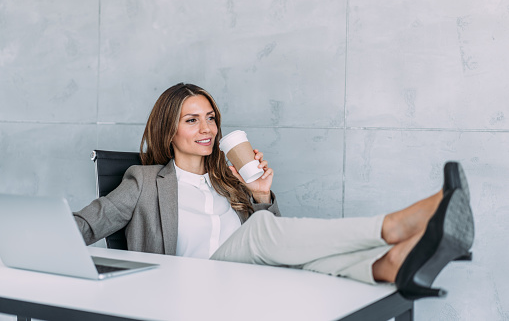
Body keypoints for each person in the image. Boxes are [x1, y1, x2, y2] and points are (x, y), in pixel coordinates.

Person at [73, 83, 475, 300]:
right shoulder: (143, 182)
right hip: (189, 291)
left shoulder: (230, 181)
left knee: (311, 259)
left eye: (210, 118)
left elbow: (285, 246)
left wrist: (262, 195)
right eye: (192, 120)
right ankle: (399, 224)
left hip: (248, 286)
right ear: (169, 129)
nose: (208, 129)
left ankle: (391, 263)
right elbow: (80, 228)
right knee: (258, 232)